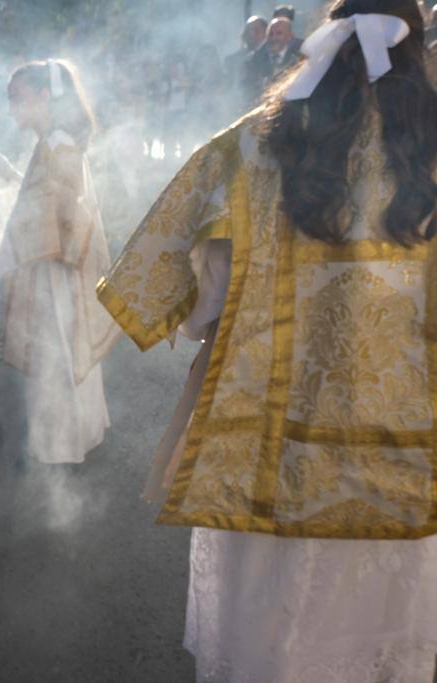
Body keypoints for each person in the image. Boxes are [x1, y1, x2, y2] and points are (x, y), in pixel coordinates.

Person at [97, 1, 437, 678]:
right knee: (378, 632)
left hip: (266, 445)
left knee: (272, 630)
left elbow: (195, 293)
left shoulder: (254, 144)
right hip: (406, 453)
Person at [0, 59, 116, 464]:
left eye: (17, 98)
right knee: (60, 352)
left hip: (57, 270)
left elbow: (56, 214)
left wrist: (1, 256)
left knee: (57, 353)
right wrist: (9, 173)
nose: (11, 109)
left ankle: (63, 446)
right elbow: (42, 197)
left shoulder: (59, 144)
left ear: (44, 96)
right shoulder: (52, 142)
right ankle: (73, 437)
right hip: (52, 263)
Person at [247, 16, 303, 100]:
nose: (274, 38)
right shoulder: (256, 59)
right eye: (271, 34)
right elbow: (249, 91)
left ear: (290, 36)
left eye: (279, 33)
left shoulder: (301, 53)